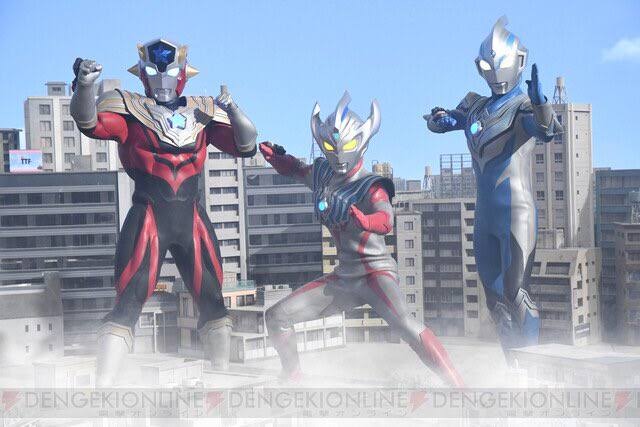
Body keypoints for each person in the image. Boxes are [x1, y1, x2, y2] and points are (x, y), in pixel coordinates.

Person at [70, 38, 257, 385]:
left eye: (169, 71)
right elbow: (89, 122)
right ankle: (103, 386)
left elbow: (246, 144)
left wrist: (232, 108)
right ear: (142, 74)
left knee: (213, 301)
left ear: (184, 72)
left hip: (191, 218)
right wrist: (84, 85)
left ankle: (221, 375)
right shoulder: (130, 108)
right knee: (128, 302)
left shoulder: (202, 112)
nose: (162, 79)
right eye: (154, 72)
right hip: (149, 216)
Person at [260, 92, 464, 387]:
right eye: (330, 147)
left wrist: (367, 221)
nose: (339, 155)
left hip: (375, 274)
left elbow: (386, 219)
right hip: (344, 277)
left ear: (362, 143)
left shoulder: (371, 186)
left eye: (347, 146)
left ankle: (459, 386)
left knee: (406, 325)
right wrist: (278, 158)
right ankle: (292, 376)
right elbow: (296, 170)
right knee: (277, 316)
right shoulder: (322, 174)